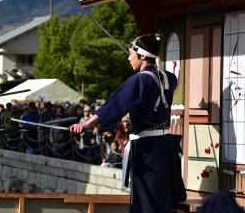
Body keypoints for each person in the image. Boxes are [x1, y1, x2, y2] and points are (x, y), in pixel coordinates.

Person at [70, 34, 186, 213]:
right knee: (160, 199)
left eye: (131, 54)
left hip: (146, 149)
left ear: (143, 56)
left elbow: (114, 104)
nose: (128, 58)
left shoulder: (140, 80)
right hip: (164, 147)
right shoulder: (170, 78)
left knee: (145, 203)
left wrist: (85, 124)